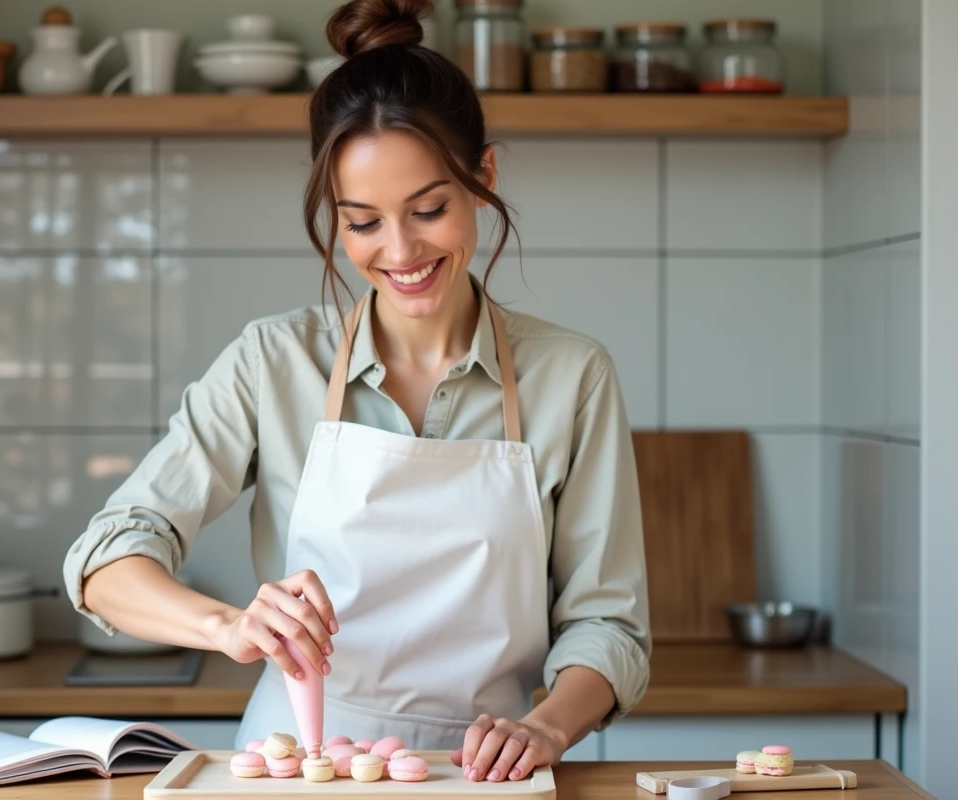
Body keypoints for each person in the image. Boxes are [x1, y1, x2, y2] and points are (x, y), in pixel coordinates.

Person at [63, 0, 650, 783]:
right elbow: (107, 557)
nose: (400, 251)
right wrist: (229, 624)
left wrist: (543, 727)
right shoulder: (273, 362)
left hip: (486, 777)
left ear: (484, 178)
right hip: (297, 775)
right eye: (362, 222)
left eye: (429, 209)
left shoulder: (572, 376)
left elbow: (608, 624)